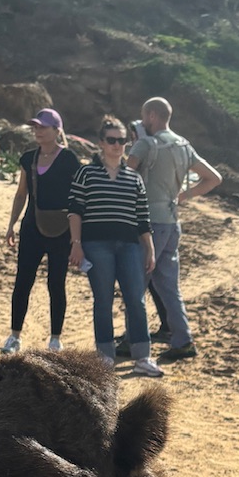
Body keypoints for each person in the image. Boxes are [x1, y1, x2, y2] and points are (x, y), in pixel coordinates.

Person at [127, 95, 222, 362]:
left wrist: (137, 145)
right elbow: (214, 178)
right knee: (168, 286)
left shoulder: (145, 144)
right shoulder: (184, 144)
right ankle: (183, 340)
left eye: (145, 116)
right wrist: (184, 196)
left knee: (136, 284)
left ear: (152, 116)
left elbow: (124, 176)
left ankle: (133, 338)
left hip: (147, 223)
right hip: (171, 220)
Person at [66, 121, 162, 376]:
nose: (117, 145)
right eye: (112, 140)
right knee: (103, 300)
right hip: (96, 245)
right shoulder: (86, 174)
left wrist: (149, 249)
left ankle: (143, 356)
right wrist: (76, 245)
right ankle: (104, 357)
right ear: (101, 143)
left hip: (130, 246)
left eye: (122, 141)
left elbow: (143, 218)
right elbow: (75, 211)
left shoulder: (134, 178)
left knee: (136, 301)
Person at [0, 108, 79, 354]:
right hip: (31, 226)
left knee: (56, 283)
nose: (38, 131)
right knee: (23, 281)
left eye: (43, 127)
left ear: (57, 130)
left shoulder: (68, 159)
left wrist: (78, 236)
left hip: (61, 229)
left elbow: (77, 197)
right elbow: (21, 193)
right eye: (35, 127)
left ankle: (55, 339)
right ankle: (14, 337)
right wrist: (11, 224)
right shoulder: (28, 158)